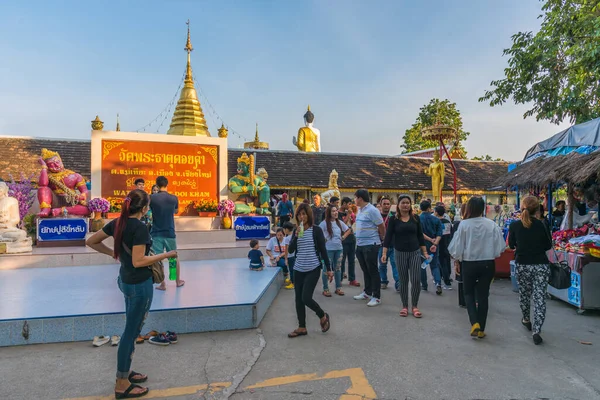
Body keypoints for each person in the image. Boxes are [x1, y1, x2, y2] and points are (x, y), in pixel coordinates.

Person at [86, 189, 178, 399]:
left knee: (131, 327)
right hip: (139, 285)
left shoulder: (117, 222)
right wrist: (167, 254)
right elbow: (139, 261)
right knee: (131, 332)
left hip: (125, 281)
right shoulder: (140, 228)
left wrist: (113, 253)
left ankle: (126, 373)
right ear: (145, 208)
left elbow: (91, 242)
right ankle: (121, 383)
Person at [448, 197, 506, 339]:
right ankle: (482, 327)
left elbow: (457, 247)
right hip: (487, 263)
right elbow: (500, 247)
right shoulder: (491, 224)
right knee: (483, 295)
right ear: (483, 208)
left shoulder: (464, 224)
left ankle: (474, 323)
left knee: (468, 293)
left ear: (469, 208)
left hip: (469, 263)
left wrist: (457, 260)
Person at [509, 196, 553, 345]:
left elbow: (511, 244)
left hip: (522, 264)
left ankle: (526, 318)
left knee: (525, 293)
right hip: (540, 264)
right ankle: (537, 330)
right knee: (540, 297)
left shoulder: (515, 225)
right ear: (537, 209)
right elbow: (548, 245)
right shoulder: (542, 225)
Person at [287, 203, 332, 338]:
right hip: (298, 269)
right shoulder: (297, 230)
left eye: (304, 214)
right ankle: (302, 327)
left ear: (309, 215)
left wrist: (329, 269)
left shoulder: (316, 230)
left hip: (313, 268)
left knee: (306, 297)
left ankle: (322, 315)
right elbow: (290, 250)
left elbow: (323, 251)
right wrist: (295, 236)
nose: (302, 217)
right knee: (298, 299)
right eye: (299, 214)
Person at [381, 195, 428, 318]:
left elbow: (420, 237)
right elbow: (388, 236)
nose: (405, 205)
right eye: (403, 203)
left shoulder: (415, 218)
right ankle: (405, 306)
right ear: (398, 205)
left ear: (410, 205)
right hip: (400, 253)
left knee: (416, 280)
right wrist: (384, 253)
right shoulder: (394, 219)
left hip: (415, 252)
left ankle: (415, 306)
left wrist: (425, 252)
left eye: (408, 203)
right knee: (403, 281)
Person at [352, 189, 385, 307]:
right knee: (365, 269)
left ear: (360, 198)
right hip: (360, 244)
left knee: (373, 270)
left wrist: (382, 239)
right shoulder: (360, 210)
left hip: (371, 244)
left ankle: (376, 296)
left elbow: (381, 226)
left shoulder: (372, 210)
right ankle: (367, 292)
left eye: (355, 198)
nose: (354, 200)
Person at [150, 176, 184, 290]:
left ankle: (162, 283)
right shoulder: (174, 198)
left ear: (157, 184)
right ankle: (177, 280)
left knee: (158, 258)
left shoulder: (152, 198)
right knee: (173, 257)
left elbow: (147, 210)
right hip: (169, 231)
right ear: (167, 184)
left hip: (156, 232)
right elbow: (176, 211)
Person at [319, 205, 351, 296]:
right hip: (328, 250)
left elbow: (348, 230)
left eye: (336, 210)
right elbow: (318, 233)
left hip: (339, 249)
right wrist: (323, 240)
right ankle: (325, 289)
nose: (335, 212)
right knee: (326, 269)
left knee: (338, 269)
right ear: (329, 213)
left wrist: (343, 237)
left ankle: (338, 288)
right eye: (333, 211)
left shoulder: (339, 223)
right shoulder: (324, 223)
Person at [419, 200, 443, 295]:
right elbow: (439, 233)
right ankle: (438, 283)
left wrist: (429, 240)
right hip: (434, 246)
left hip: (422, 245)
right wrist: (435, 243)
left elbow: (420, 233)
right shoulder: (436, 219)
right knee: (434, 265)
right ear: (429, 208)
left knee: (422, 265)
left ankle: (424, 285)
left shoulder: (418, 219)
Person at [378, 197, 400, 291]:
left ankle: (398, 284)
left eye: (388, 204)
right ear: (380, 205)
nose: (386, 206)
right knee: (382, 264)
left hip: (393, 243)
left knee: (395, 264)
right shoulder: (377, 216)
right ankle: (383, 281)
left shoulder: (394, 216)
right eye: (384, 204)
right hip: (381, 244)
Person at [340, 197, 360, 287]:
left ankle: (352, 279)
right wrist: (348, 215)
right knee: (342, 260)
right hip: (343, 238)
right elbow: (342, 225)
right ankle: (339, 279)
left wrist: (351, 215)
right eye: (348, 204)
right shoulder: (338, 213)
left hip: (351, 237)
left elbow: (352, 223)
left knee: (352, 260)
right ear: (344, 203)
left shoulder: (350, 212)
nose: (350, 206)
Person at [435, 205, 453, 290]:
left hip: (439, 245)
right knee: (447, 262)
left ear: (437, 213)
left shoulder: (436, 222)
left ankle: (447, 282)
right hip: (447, 244)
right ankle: (447, 277)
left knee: (442, 263)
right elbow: (451, 234)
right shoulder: (448, 222)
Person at [453, 204, 467, 308]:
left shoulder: (458, 224)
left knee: (462, 278)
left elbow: (455, 243)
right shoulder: (487, 224)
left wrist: (456, 259)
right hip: (478, 257)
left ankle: (463, 300)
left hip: (462, 256)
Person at [283, 221, 296, 289]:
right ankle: (291, 279)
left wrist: (285, 259)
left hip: (290, 257)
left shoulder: (287, 238)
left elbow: (286, 249)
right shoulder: (294, 235)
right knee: (293, 269)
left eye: (284, 229)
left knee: (291, 270)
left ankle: (293, 283)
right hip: (295, 256)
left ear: (287, 229)